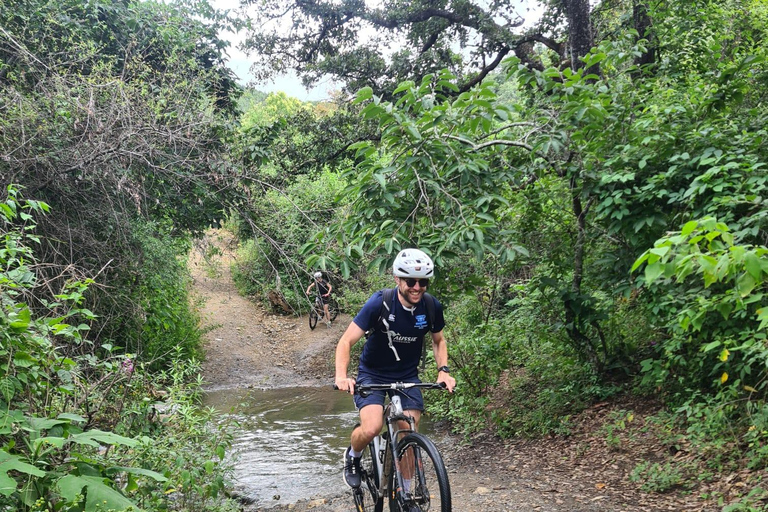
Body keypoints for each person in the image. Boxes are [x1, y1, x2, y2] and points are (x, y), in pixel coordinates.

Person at [334, 248, 456, 491]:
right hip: (373, 373)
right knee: (371, 428)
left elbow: (439, 340)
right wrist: (341, 375)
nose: (417, 287)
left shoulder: (431, 306)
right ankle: (353, 455)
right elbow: (346, 341)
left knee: (408, 433)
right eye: (410, 281)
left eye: (423, 282)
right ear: (397, 279)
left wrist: (443, 370)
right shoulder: (379, 303)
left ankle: (406, 492)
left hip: (407, 375)